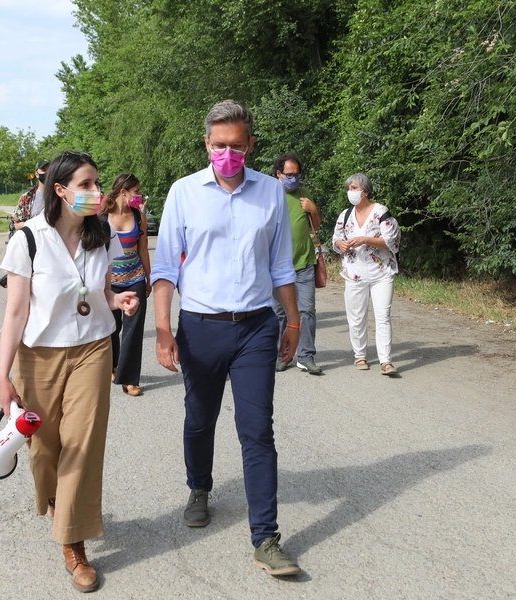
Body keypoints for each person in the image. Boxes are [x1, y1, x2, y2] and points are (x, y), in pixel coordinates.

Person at [152, 100, 302, 577]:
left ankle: (267, 537)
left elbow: (281, 265)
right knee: (200, 419)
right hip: (200, 328)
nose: (228, 154)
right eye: (219, 146)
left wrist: (293, 322)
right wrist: (162, 330)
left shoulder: (271, 193)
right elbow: (164, 267)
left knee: (257, 430)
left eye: (237, 146)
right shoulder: (183, 193)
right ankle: (199, 487)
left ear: (251, 144)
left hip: (257, 326)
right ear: (206, 144)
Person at [0, 151, 138, 593]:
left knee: (81, 443)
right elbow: (16, 312)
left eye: (98, 184)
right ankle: (58, 501)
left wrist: (119, 302)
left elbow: (104, 292)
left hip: (93, 350)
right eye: (88, 185)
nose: (98, 193)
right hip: (39, 355)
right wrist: (4, 376)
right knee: (44, 448)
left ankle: (73, 543)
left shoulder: (104, 236)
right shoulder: (28, 240)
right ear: (60, 190)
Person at [331, 173, 402, 376]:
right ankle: (360, 355)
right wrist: (340, 244)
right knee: (356, 317)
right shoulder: (345, 215)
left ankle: (386, 361)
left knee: (383, 316)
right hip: (354, 273)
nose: (350, 192)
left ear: (366, 191)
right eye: (349, 188)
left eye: (354, 188)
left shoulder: (381, 213)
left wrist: (365, 239)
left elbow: (391, 241)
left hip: (381, 272)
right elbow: (335, 239)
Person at [272, 151, 323, 375]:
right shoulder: (269, 194)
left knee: (307, 311)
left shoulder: (304, 194)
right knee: (279, 313)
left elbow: (316, 226)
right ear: (279, 174)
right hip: (278, 267)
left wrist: (313, 209)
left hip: (304, 264)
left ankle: (306, 356)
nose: (293, 178)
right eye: (289, 174)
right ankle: (283, 356)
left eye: (296, 174)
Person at [101, 173, 151, 397]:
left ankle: (129, 379)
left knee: (133, 331)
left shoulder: (139, 217)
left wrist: (149, 278)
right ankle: (113, 366)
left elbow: (143, 250)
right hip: (109, 283)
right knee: (111, 329)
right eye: (136, 191)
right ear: (123, 191)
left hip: (135, 279)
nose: (139, 196)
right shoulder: (102, 217)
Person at [13, 159, 50, 230]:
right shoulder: (27, 197)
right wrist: (35, 224)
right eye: (44, 170)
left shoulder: (60, 195)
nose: (47, 173)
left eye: (50, 170)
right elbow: (17, 224)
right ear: (36, 174)